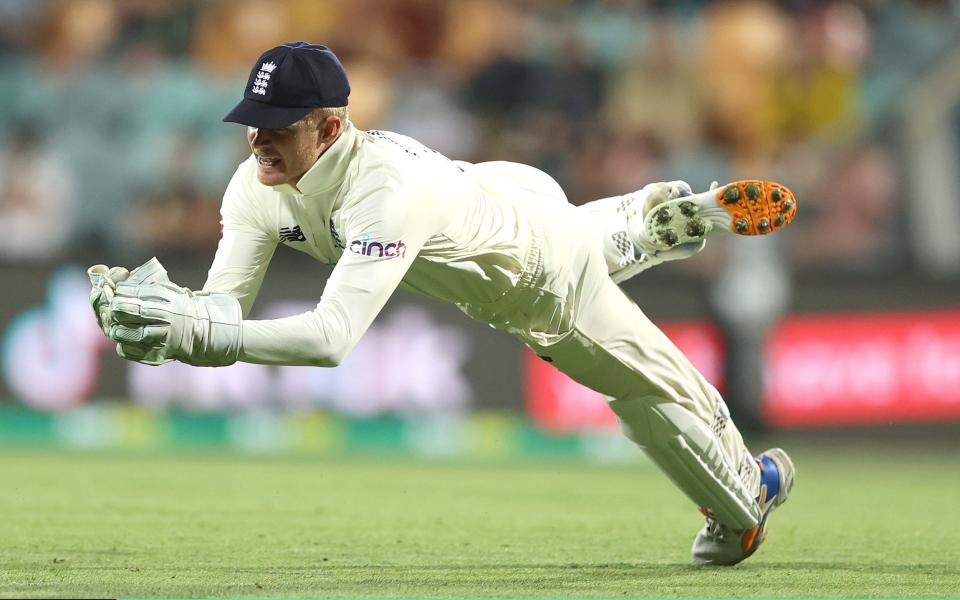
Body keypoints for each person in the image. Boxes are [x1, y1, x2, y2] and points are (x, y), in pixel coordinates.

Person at [89, 42, 797, 566]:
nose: (258, 137)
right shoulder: (255, 182)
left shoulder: (383, 194)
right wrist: (184, 320)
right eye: (253, 118)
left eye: (279, 123)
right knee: (549, 240)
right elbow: (223, 309)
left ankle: (749, 491)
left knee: (650, 393)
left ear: (330, 128)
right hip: (500, 197)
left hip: (540, 279)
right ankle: (643, 222)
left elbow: (329, 340)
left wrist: (197, 336)